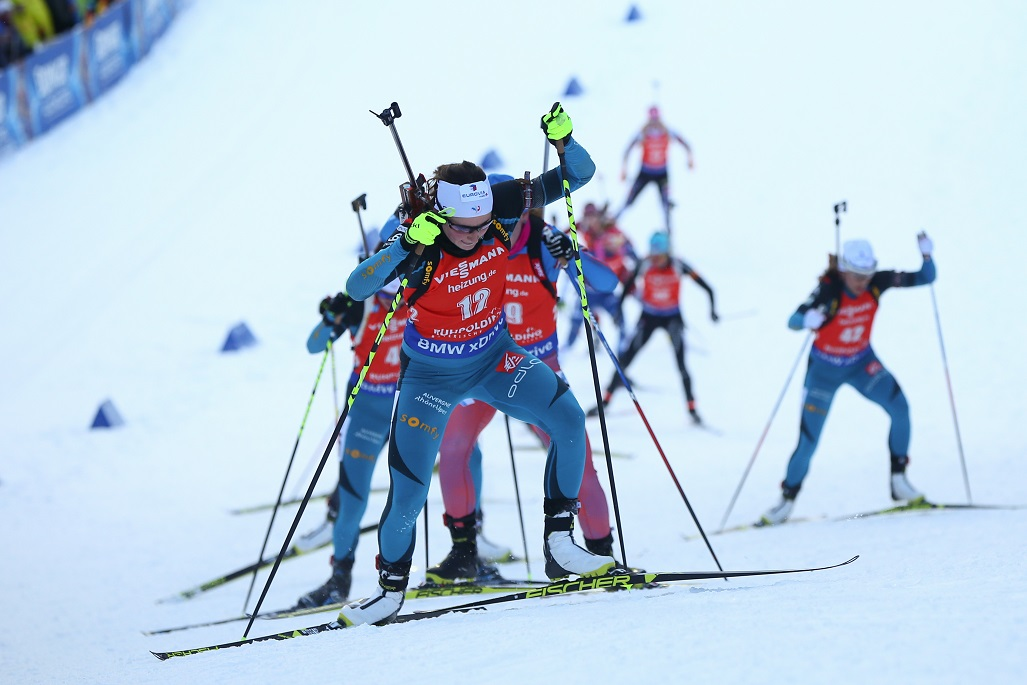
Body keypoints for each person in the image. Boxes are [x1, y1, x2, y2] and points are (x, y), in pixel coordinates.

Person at [336, 104, 617, 627]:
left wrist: (565, 139)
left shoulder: (501, 206)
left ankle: (560, 542)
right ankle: (389, 590)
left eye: (482, 225)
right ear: (440, 216)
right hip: (430, 377)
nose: (473, 234)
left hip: (495, 357)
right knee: (410, 487)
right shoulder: (417, 237)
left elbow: (579, 175)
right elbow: (357, 287)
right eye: (461, 228)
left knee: (570, 419)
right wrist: (403, 246)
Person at [428, 195, 623, 584]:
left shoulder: (542, 242)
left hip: (537, 368)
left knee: (577, 457)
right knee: (453, 448)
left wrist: (572, 255)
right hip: (486, 366)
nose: (498, 227)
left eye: (507, 218)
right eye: (488, 219)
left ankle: (600, 554)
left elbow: (608, 283)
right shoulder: (472, 242)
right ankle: (464, 553)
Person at [760, 233, 937, 525]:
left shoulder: (878, 283)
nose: (862, 282)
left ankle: (899, 481)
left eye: (867, 274)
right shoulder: (828, 292)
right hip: (824, 372)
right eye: (856, 275)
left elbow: (925, 278)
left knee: (901, 409)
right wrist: (806, 320)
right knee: (808, 441)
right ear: (844, 270)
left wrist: (927, 256)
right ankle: (786, 500)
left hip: (861, 364)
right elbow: (792, 320)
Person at [590, 231, 718, 423]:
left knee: (682, 364)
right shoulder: (645, 264)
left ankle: (692, 409)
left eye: (659, 255)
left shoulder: (678, 265)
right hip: (649, 317)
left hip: (672, 318)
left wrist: (712, 311)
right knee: (625, 359)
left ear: (667, 252)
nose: (655, 259)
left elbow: (708, 288)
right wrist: (618, 312)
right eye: (653, 254)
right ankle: (605, 402)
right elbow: (626, 287)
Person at [563, 202, 637, 352]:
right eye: (587, 217)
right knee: (577, 320)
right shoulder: (585, 228)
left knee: (620, 316)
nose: (590, 221)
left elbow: (625, 247)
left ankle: (623, 346)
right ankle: (568, 348)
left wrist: (631, 257)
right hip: (589, 289)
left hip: (605, 287)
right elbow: (568, 231)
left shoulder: (610, 232)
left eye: (593, 217)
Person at [615, 105, 694, 227]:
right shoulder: (643, 133)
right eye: (652, 120)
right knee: (629, 200)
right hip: (645, 172)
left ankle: (669, 234)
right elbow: (627, 150)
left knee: (666, 205)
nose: (654, 123)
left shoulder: (668, 132)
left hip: (661, 173)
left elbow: (686, 144)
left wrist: (689, 159)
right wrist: (624, 170)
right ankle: (613, 222)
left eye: (656, 120)